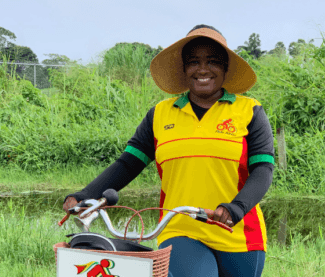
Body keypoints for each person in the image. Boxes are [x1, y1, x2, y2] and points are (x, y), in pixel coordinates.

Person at [63, 24, 275, 277]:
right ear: (184, 69)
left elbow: (263, 169)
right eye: (193, 61)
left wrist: (236, 208)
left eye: (213, 61)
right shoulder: (160, 114)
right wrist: (85, 195)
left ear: (225, 68)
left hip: (240, 233)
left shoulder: (249, 111)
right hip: (180, 228)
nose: (203, 69)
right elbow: (129, 163)